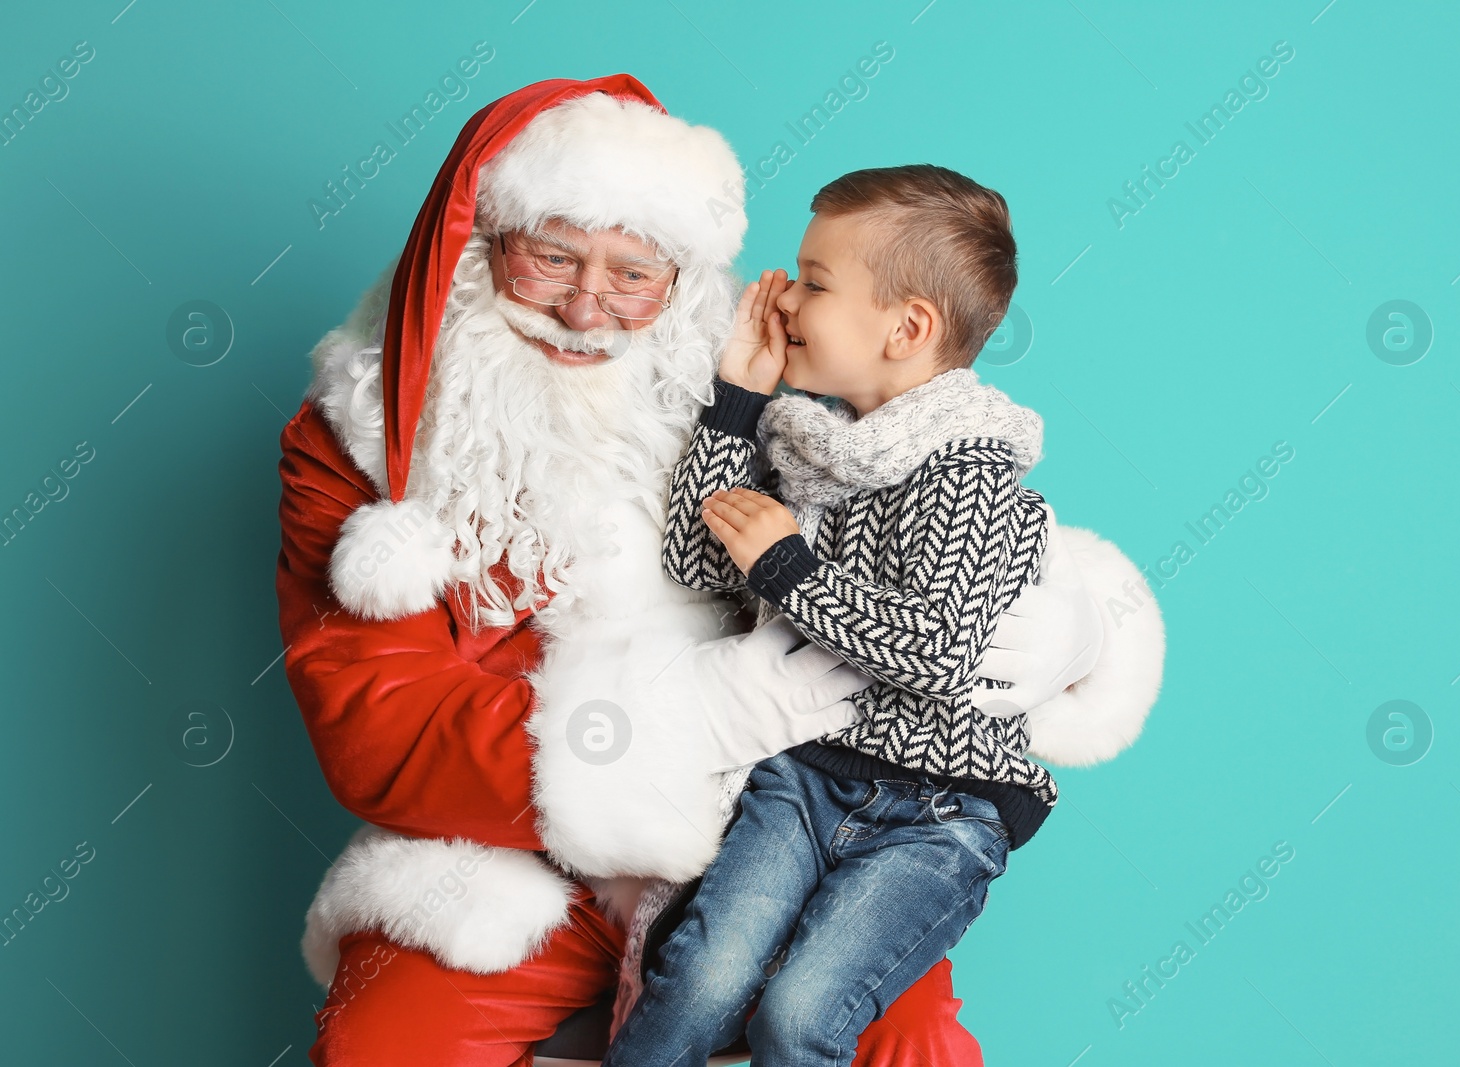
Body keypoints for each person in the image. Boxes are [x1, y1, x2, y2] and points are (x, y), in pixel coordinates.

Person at [278, 77, 1162, 1066]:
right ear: (481, 246)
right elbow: (376, 730)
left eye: (632, 272)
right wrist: (696, 718)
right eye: (552, 255)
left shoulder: (774, 366)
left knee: (908, 1038)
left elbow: (946, 491)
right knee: (380, 1045)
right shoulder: (361, 441)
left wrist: (1079, 624)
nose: (586, 306)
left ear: (679, 277)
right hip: (510, 867)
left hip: (793, 826)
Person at [603, 164, 1066, 1067]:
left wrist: (787, 564)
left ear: (908, 328)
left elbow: (934, 649)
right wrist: (737, 399)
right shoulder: (817, 446)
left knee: (799, 1016)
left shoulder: (969, 474)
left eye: (815, 282)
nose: (790, 298)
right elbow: (699, 561)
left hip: (937, 808)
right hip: (804, 780)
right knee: (699, 979)